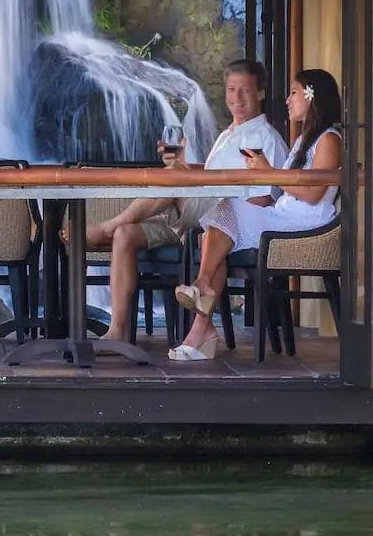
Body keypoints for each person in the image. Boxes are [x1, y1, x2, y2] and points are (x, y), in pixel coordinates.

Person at [84, 59, 291, 342]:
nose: (236, 98)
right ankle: (117, 331)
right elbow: (208, 177)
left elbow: (264, 201)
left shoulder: (265, 138)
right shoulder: (227, 135)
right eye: (231, 89)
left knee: (173, 182)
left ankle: (106, 227)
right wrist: (183, 165)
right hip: (193, 218)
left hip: (224, 221)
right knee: (126, 235)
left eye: (244, 90)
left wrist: (217, 218)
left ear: (260, 93)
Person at [167, 69, 344, 362]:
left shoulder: (329, 139)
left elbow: (313, 194)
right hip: (284, 215)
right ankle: (202, 311)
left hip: (306, 223)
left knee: (226, 211)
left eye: (294, 92)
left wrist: (268, 173)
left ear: (312, 96)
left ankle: (202, 292)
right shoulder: (304, 140)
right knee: (220, 219)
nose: (287, 99)